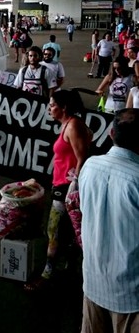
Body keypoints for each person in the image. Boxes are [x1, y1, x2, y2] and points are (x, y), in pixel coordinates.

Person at [24, 90, 92, 292]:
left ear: (63, 108)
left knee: (53, 231)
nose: (49, 109)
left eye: (52, 105)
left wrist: (75, 185)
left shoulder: (73, 125)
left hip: (66, 188)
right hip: (61, 184)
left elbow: (83, 157)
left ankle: (47, 274)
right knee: (66, 231)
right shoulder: (68, 124)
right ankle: (69, 268)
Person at [79, 109, 139, 333]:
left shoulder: (89, 166)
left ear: (111, 133)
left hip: (94, 282)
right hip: (130, 293)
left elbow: (86, 212)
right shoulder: (136, 178)